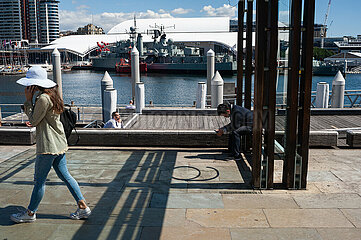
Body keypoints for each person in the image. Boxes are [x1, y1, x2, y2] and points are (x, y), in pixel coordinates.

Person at [10, 66, 91, 223]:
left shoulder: (43, 98)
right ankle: (83, 207)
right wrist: (35, 116)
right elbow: (43, 119)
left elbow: (33, 120)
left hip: (48, 146)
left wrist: (28, 100)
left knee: (39, 181)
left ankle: (30, 213)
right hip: (59, 143)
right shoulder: (52, 95)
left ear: (34, 84)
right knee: (65, 176)